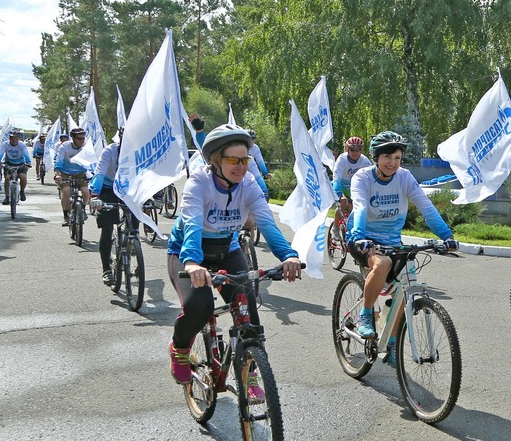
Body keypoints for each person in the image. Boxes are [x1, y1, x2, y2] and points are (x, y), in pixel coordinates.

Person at [166, 125, 302, 386]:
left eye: (245, 160)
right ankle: (180, 349)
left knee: (248, 307)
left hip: (226, 250)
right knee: (200, 306)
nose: (241, 167)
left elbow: (266, 222)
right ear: (215, 160)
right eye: (233, 160)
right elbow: (193, 225)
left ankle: (249, 376)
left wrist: (288, 255)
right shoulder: (198, 184)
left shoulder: (248, 184)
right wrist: (193, 262)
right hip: (188, 253)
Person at [346, 130, 458, 339]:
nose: (393, 163)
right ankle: (366, 313)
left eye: (397, 157)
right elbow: (360, 207)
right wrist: (360, 235)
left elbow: (426, 207)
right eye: (387, 157)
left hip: (392, 242)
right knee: (383, 264)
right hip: (362, 237)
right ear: (376, 158)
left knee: (404, 286)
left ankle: (392, 343)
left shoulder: (404, 177)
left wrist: (447, 236)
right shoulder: (363, 178)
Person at [89, 130, 136, 285]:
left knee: (134, 221)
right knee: (107, 228)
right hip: (107, 187)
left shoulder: (138, 150)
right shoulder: (110, 151)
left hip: (126, 188)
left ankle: (132, 244)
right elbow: (100, 172)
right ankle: (106, 270)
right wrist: (95, 195)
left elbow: (147, 173)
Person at [331, 136, 372, 240]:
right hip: (343, 186)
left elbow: (370, 181)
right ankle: (335, 228)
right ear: (347, 150)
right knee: (343, 204)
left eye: (358, 150)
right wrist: (340, 195)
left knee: (358, 208)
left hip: (357, 187)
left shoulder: (365, 162)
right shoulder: (342, 159)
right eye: (352, 150)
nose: (355, 153)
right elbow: (336, 179)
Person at [54, 127, 92, 226]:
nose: (81, 141)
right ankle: (66, 215)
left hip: (80, 173)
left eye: (83, 138)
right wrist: (57, 174)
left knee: (85, 191)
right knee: (66, 191)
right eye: (79, 138)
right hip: (66, 173)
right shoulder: (64, 147)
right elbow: (59, 161)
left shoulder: (86, 147)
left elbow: (92, 161)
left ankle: (82, 209)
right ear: (73, 138)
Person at [0, 130, 31, 204]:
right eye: (12, 138)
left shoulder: (22, 145)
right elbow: (1, 153)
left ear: (18, 138)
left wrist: (28, 162)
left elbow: (26, 154)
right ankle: (7, 197)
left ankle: (22, 191)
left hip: (20, 164)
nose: (14, 140)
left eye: (16, 138)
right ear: (9, 138)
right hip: (9, 164)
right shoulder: (5, 144)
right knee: (7, 178)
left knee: (23, 177)